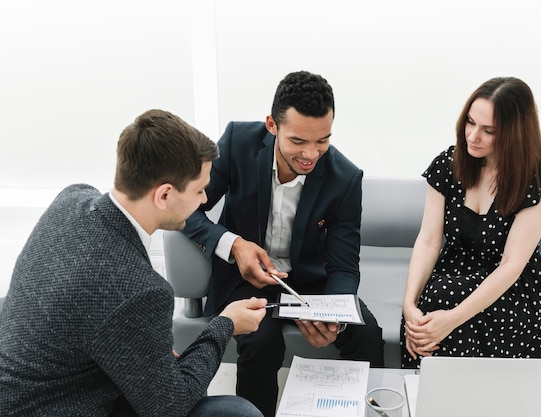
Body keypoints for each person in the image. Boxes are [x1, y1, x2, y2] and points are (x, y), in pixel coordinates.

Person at [0, 110, 265, 417]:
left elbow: (89, 306)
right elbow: (171, 407)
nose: (205, 200)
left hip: (24, 387)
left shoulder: (71, 200)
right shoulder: (140, 290)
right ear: (164, 194)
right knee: (236, 413)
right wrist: (226, 323)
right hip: (56, 407)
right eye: (199, 190)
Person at [182, 70, 385, 416]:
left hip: (309, 282)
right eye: (298, 141)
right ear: (272, 126)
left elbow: (343, 265)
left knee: (366, 333)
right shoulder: (237, 143)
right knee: (260, 343)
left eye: (323, 140)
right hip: (244, 279)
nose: (311, 154)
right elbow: (186, 209)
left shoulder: (346, 178)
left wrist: (331, 314)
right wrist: (233, 244)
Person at [400, 77, 541, 368]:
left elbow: (511, 266)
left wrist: (451, 320)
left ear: (514, 134)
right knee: (424, 315)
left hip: (512, 288)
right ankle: (420, 396)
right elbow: (428, 239)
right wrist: (408, 305)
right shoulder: (449, 164)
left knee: (444, 311)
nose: (473, 136)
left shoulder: (536, 184)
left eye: (488, 131)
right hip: (455, 270)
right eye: (470, 123)